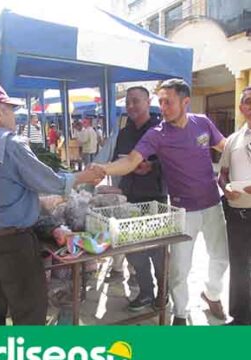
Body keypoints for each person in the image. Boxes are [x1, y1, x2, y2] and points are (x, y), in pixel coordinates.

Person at [0, 84, 105, 325]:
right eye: (11, 110)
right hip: (13, 244)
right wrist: (83, 176)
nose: (14, 116)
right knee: (29, 311)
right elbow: (50, 182)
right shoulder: (11, 144)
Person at [98, 79, 229, 326]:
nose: (163, 107)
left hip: (213, 204)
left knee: (221, 258)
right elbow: (131, 161)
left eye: (168, 102)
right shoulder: (157, 134)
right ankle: (180, 313)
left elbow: (225, 146)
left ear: (185, 102)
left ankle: (212, 294)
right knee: (180, 267)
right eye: (161, 102)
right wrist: (102, 169)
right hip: (183, 210)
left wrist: (233, 170)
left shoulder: (202, 123)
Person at [112, 86, 167, 311]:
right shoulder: (124, 133)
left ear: (148, 101)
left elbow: (173, 162)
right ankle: (146, 292)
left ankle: (163, 292)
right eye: (128, 102)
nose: (131, 106)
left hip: (155, 197)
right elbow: (118, 161)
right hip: (129, 197)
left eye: (136, 101)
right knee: (133, 250)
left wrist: (152, 166)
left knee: (158, 250)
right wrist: (114, 186)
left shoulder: (160, 129)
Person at [217, 85, 251, 325]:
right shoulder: (233, 140)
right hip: (238, 212)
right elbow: (222, 174)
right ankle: (239, 317)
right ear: (241, 107)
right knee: (238, 264)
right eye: (247, 101)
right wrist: (226, 188)